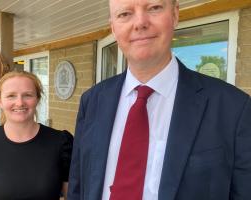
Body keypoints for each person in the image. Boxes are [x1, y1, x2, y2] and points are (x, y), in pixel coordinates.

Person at [67, 0, 251, 200]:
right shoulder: (92, 102)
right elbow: (78, 187)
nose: (140, 23)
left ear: (175, 14)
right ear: (113, 27)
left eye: (154, 8)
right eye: (125, 14)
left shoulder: (233, 108)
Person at [0, 71, 73, 200]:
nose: (19, 103)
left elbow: (73, 195)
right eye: (11, 96)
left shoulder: (61, 143)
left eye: (27, 95)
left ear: (37, 99)